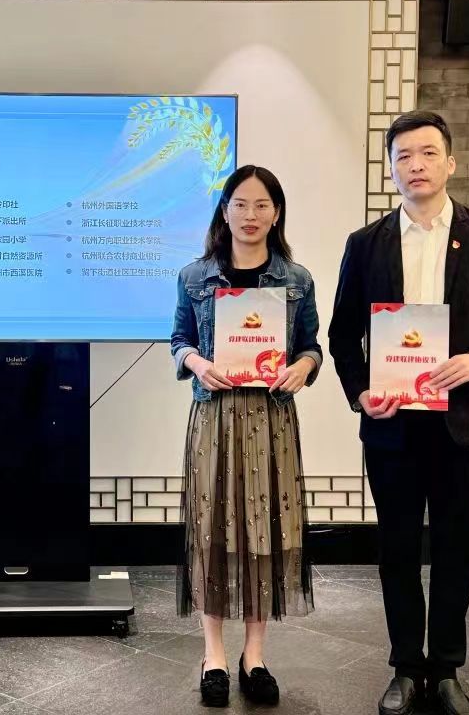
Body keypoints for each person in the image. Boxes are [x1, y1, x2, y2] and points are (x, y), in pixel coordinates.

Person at [328, 111, 469, 715]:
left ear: (450, 162)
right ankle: (404, 667)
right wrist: (360, 393)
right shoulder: (365, 244)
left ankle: (445, 668)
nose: (415, 165)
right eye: (403, 156)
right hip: (392, 423)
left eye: (426, 153)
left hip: (461, 419)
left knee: (454, 546)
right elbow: (342, 335)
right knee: (395, 547)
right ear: (391, 169)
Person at [170, 164, 321, 707]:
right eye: (240, 204)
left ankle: (253, 655)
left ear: (276, 213)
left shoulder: (296, 279)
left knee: (266, 531)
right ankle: (213, 654)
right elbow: (179, 339)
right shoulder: (195, 276)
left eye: (261, 205)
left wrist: (303, 367)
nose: (250, 215)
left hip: (270, 419)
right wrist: (196, 362)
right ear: (225, 211)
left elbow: (311, 346)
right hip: (215, 416)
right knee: (210, 530)